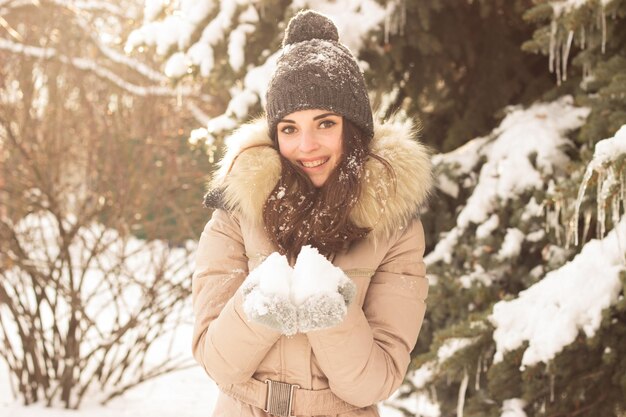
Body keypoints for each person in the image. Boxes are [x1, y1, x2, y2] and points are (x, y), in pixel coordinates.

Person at [192, 9, 432, 417]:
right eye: (289, 128)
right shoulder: (237, 213)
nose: (307, 146)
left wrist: (330, 313)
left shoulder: (394, 227)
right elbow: (217, 362)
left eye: (325, 124)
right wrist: (259, 305)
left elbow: (376, 381)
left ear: (351, 128)